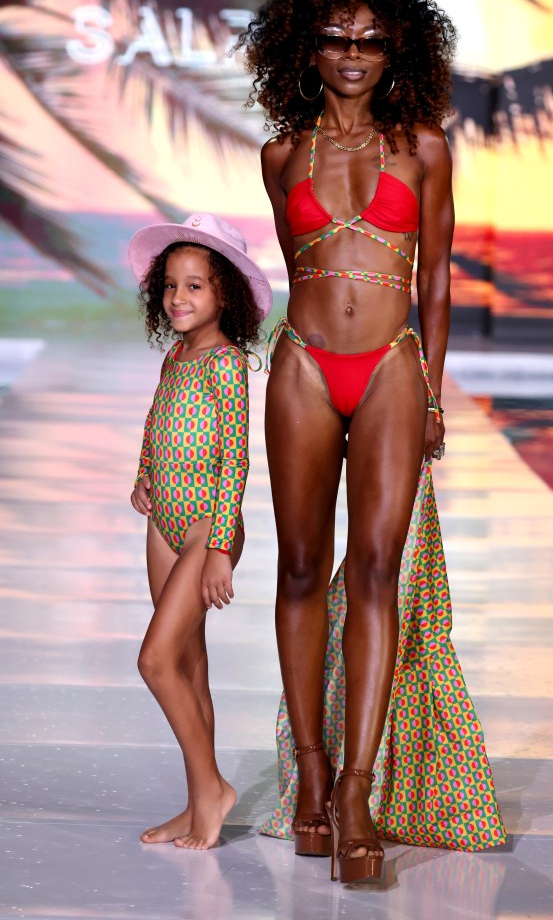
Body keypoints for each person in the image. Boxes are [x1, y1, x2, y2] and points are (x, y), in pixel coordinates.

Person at [238, 0, 506, 882]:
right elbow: (295, 270)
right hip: (304, 365)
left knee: (377, 569)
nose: (352, 52)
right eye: (334, 37)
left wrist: (431, 387)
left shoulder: (424, 145)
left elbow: (433, 275)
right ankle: (308, 775)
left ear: (399, 48)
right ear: (302, 48)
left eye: (371, 39)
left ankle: (358, 786)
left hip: (391, 365)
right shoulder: (282, 154)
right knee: (304, 564)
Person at [128, 213, 272, 850]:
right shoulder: (176, 357)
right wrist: (142, 474)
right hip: (165, 518)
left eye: (195, 287)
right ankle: (197, 805)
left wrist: (218, 548)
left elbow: (233, 458)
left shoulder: (225, 362)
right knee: (187, 665)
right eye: (170, 287)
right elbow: (157, 422)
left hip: (207, 524)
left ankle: (213, 788)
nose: (178, 298)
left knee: (155, 660)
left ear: (225, 297)